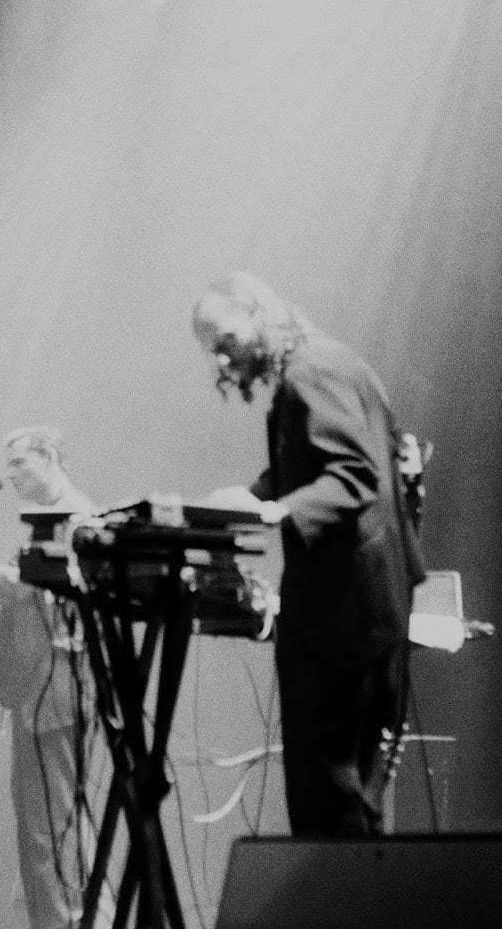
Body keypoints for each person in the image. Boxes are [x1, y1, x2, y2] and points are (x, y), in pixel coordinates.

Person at [192, 271, 427, 837]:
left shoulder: (312, 373)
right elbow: (326, 462)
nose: (222, 360)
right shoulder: (328, 365)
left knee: (331, 809)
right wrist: (255, 495)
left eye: (224, 340)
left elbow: (353, 474)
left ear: (256, 311)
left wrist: (277, 512)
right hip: (363, 608)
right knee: (349, 806)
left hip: (344, 618)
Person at [0, 426, 97, 929]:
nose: (9, 474)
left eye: (19, 463)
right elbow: (11, 599)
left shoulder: (76, 517)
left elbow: (44, 583)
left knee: (54, 825)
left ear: (49, 457)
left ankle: (69, 922)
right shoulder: (39, 525)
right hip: (34, 691)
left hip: (59, 689)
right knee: (37, 826)